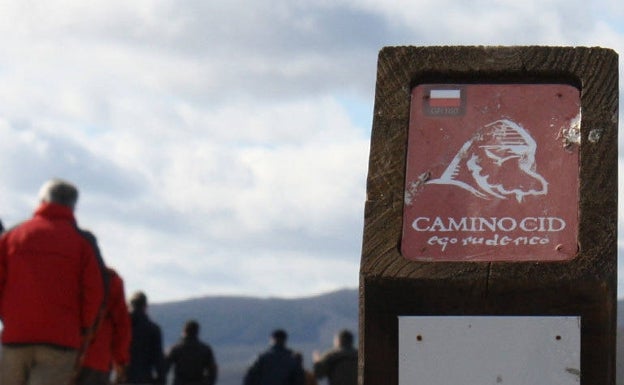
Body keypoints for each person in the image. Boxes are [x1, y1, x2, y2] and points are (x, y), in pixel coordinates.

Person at [0, 178, 105, 385]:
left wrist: (8, 317)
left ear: (41, 201)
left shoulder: (12, 236)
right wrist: (82, 330)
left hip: (15, 336)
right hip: (61, 341)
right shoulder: (83, 242)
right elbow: (94, 292)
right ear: (73, 206)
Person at [76, 267, 132, 385]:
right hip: (96, 358)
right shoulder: (111, 280)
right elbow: (121, 327)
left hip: (61, 352)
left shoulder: (67, 270)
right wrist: (121, 361)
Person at [126, 291, 166, 384]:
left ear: (130, 305)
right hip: (145, 377)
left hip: (124, 376)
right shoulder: (153, 329)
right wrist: (161, 379)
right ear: (145, 306)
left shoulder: (123, 327)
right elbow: (158, 358)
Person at [165, 319, 218, 385]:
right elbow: (212, 371)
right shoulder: (205, 349)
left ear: (184, 332)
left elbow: (164, 368)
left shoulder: (175, 349)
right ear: (197, 332)